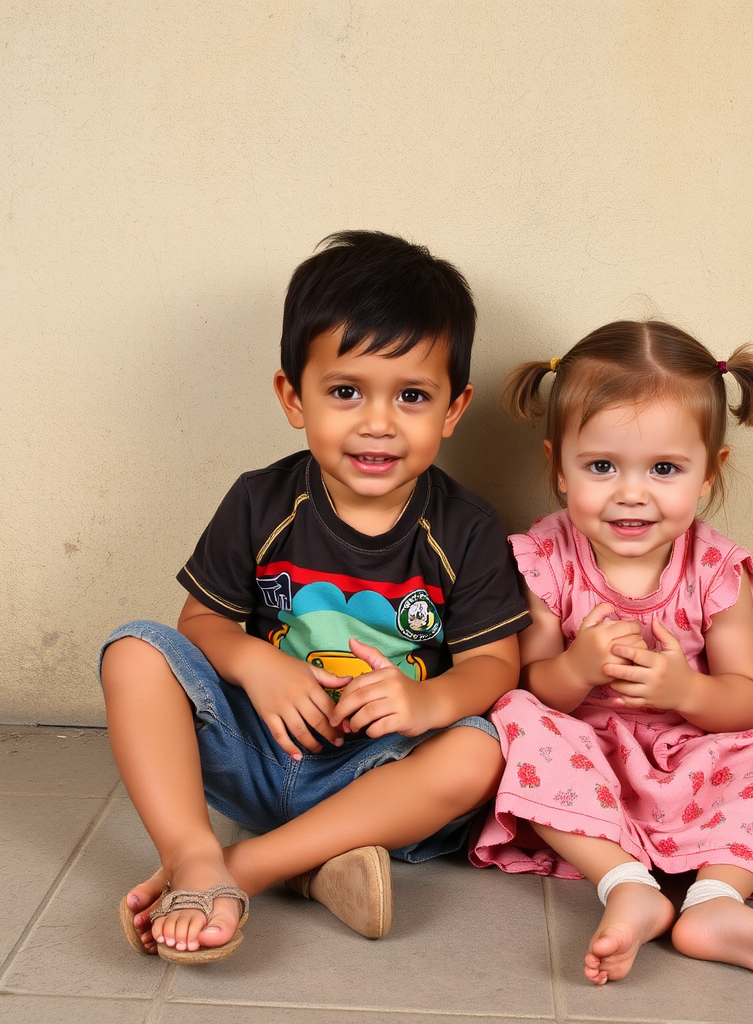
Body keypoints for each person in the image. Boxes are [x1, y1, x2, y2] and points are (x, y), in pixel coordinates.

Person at [101, 230, 529, 963]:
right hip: (259, 753)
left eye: (413, 396)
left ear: (453, 410)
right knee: (135, 649)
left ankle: (248, 869)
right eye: (345, 391)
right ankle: (195, 847)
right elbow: (198, 622)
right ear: (293, 397)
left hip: (376, 774)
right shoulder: (261, 501)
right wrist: (254, 663)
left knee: (478, 754)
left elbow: (496, 665)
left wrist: (425, 704)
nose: (378, 422)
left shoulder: (467, 527)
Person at [470, 320, 753, 984]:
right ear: (557, 468)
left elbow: (748, 696)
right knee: (511, 719)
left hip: (697, 756)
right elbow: (534, 685)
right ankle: (624, 883)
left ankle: (714, 901)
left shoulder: (715, 570)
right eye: (601, 466)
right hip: (588, 764)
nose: (631, 492)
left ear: (709, 474)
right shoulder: (545, 560)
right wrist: (577, 668)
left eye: (664, 469)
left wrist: (685, 691)